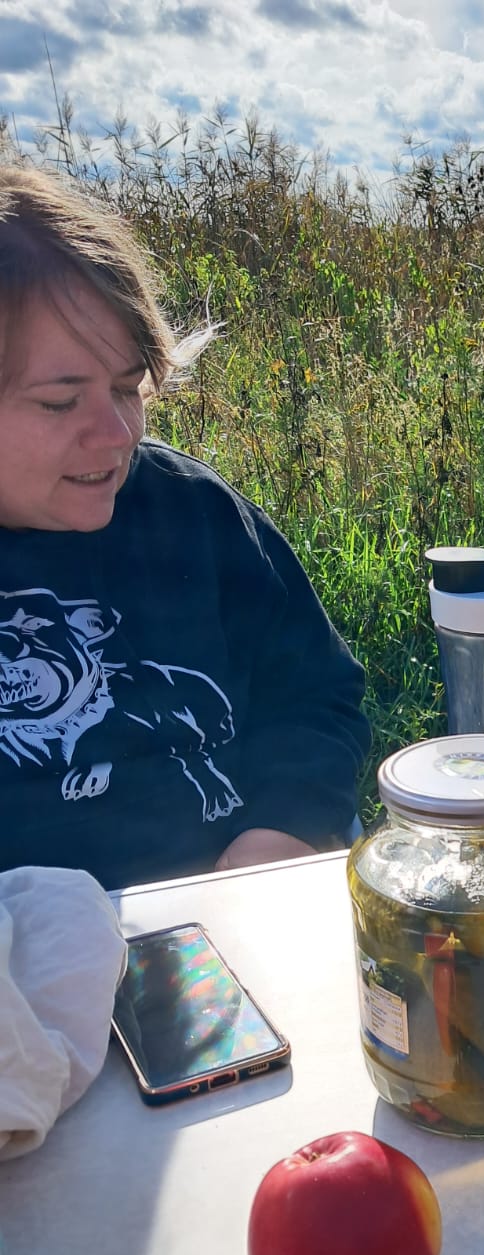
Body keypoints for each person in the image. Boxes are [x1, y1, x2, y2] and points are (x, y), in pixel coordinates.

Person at [0, 163, 371, 891]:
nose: (116, 434)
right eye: (59, 402)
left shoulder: (194, 513)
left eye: (126, 387)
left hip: (224, 914)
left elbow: (314, 696)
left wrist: (284, 827)